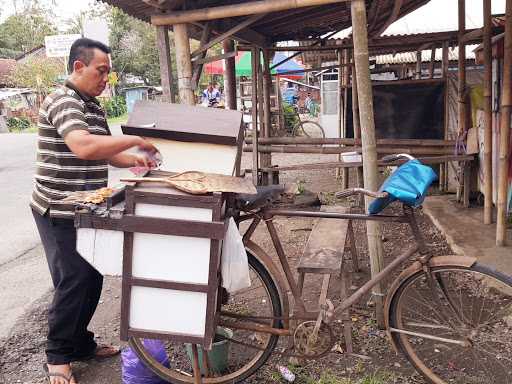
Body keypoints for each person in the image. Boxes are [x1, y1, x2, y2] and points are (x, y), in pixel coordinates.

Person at [30, 38, 159, 384]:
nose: (106, 79)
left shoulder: (93, 105)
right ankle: (57, 357)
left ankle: (81, 345)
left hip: (86, 206)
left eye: (109, 73)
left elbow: (106, 153)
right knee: (72, 279)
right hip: (57, 208)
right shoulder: (62, 100)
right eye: (101, 71)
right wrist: (134, 139)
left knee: (92, 276)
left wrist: (138, 161)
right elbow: (84, 146)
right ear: (78, 67)